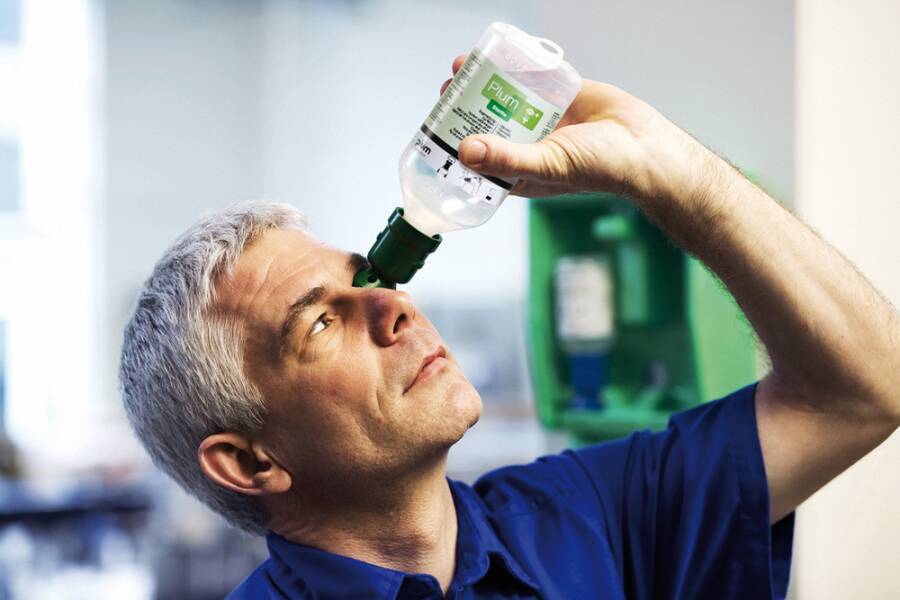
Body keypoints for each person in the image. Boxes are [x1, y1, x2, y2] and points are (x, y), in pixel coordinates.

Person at [119, 54, 900, 599]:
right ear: (251, 462)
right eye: (319, 323)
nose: (392, 307)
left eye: (369, 279)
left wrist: (670, 174)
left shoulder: (590, 516)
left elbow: (865, 389)